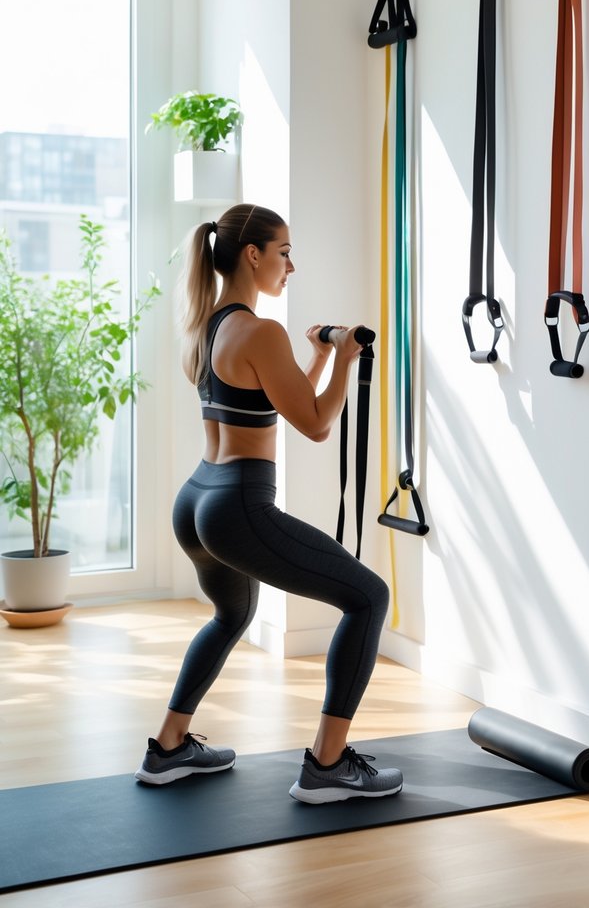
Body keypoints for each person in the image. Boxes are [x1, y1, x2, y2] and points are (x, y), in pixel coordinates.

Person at [135, 202, 402, 803]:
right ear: (253, 255)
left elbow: (275, 395)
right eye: (284, 252)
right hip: (238, 508)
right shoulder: (261, 331)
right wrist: (348, 360)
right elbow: (313, 423)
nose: (291, 266)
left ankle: (169, 748)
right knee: (369, 597)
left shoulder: (210, 325)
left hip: (198, 499)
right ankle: (328, 767)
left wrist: (324, 355)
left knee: (231, 616)